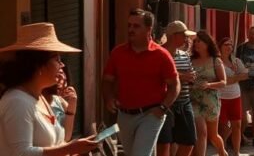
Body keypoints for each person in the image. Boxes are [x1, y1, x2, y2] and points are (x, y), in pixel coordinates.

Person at [0, 23, 99, 155]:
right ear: (39, 65)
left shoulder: (39, 97)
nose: (62, 64)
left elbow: (57, 142)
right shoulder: (16, 102)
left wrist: (75, 149)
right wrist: (70, 149)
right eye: (57, 58)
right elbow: (21, 153)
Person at [103, 9, 181, 156]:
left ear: (148, 29)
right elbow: (107, 80)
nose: (131, 29)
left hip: (151, 114)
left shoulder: (161, 55)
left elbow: (174, 85)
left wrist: (163, 107)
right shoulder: (118, 53)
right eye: (129, 25)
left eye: (136, 26)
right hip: (125, 114)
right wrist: (108, 98)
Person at [157, 21, 198, 156]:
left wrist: (191, 77)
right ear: (174, 36)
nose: (187, 39)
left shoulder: (184, 54)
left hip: (184, 102)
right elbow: (157, 75)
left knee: (189, 140)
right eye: (184, 35)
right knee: (164, 142)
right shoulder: (159, 53)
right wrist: (181, 76)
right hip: (165, 103)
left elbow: (189, 73)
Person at [189, 30, 228, 156]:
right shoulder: (190, 60)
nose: (196, 44)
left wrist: (209, 85)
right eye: (195, 42)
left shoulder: (215, 60)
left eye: (199, 41)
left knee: (213, 136)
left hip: (211, 101)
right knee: (201, 132)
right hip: (193, 100)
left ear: (207, 43)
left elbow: (223, 82)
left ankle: (222, 152)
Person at [218, 38, 247, 156]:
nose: (229, 47)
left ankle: (236, 152)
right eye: (226, 44)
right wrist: (234, 78)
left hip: (235, 96)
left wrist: (233, 78)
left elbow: (245, 75)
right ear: (220, 46)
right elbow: (219, 79)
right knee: (223, 126)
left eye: (231, 45)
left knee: (237, 125)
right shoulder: (217, 61)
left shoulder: (236, 61)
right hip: (221, 96)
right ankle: (222, 149)